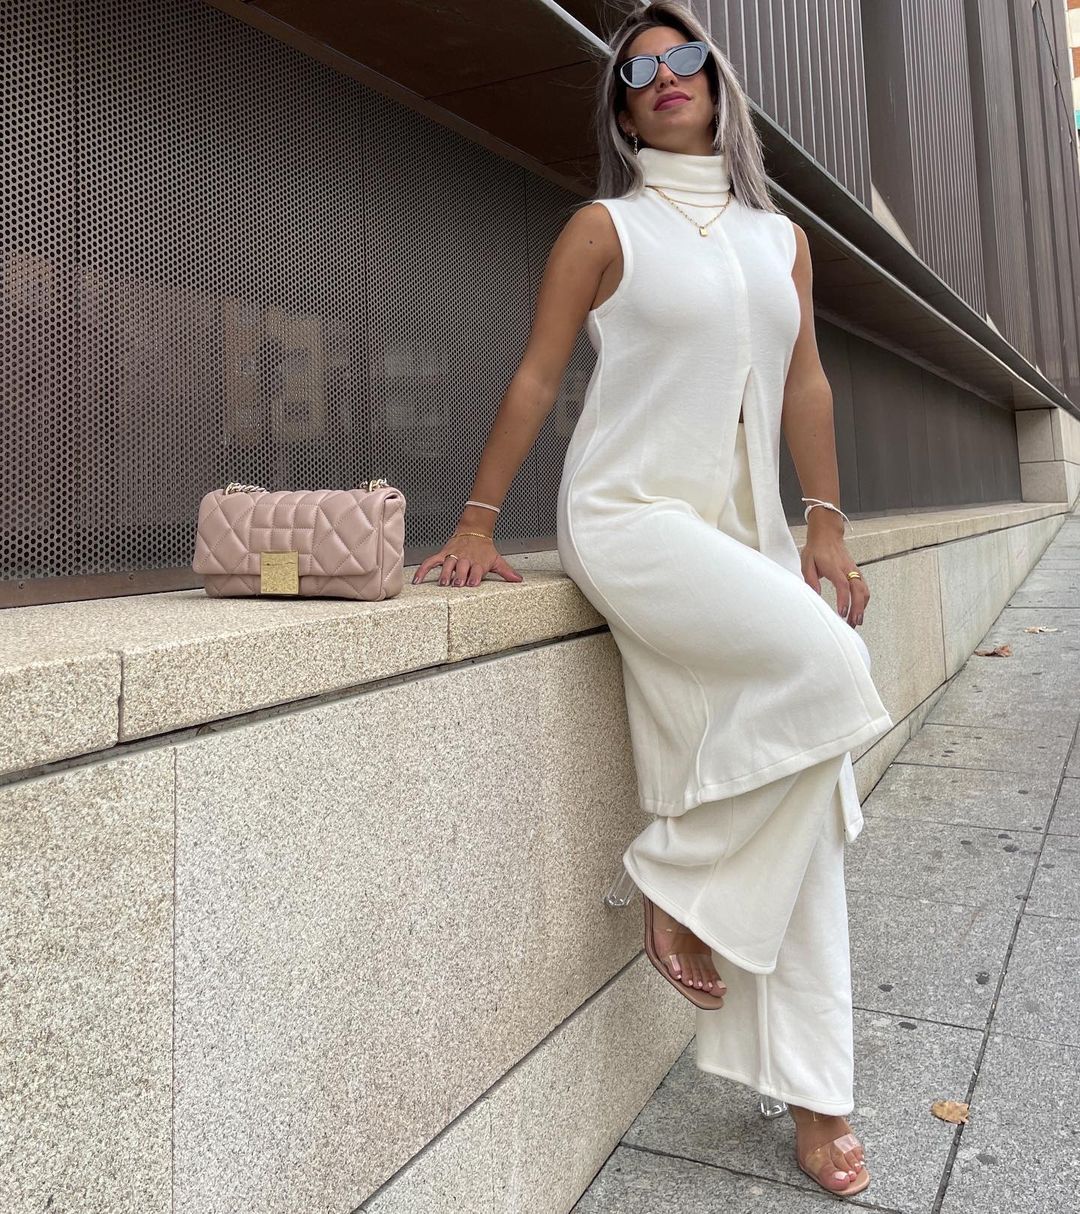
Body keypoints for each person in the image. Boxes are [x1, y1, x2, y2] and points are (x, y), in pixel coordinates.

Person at [411, 2, 894, 1199]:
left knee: (807, 775)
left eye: (684, 58)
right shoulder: (605, 227)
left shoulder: (781, 240)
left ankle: (822, 1095)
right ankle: (675, 875)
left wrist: (826, 521)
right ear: (624, 111)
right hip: (630, 517)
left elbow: (808, 382)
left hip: (747, 537)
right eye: (639, 71)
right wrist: (476, 519)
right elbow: (538, 375)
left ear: (718, 85)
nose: (664, 75)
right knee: (833, 674)